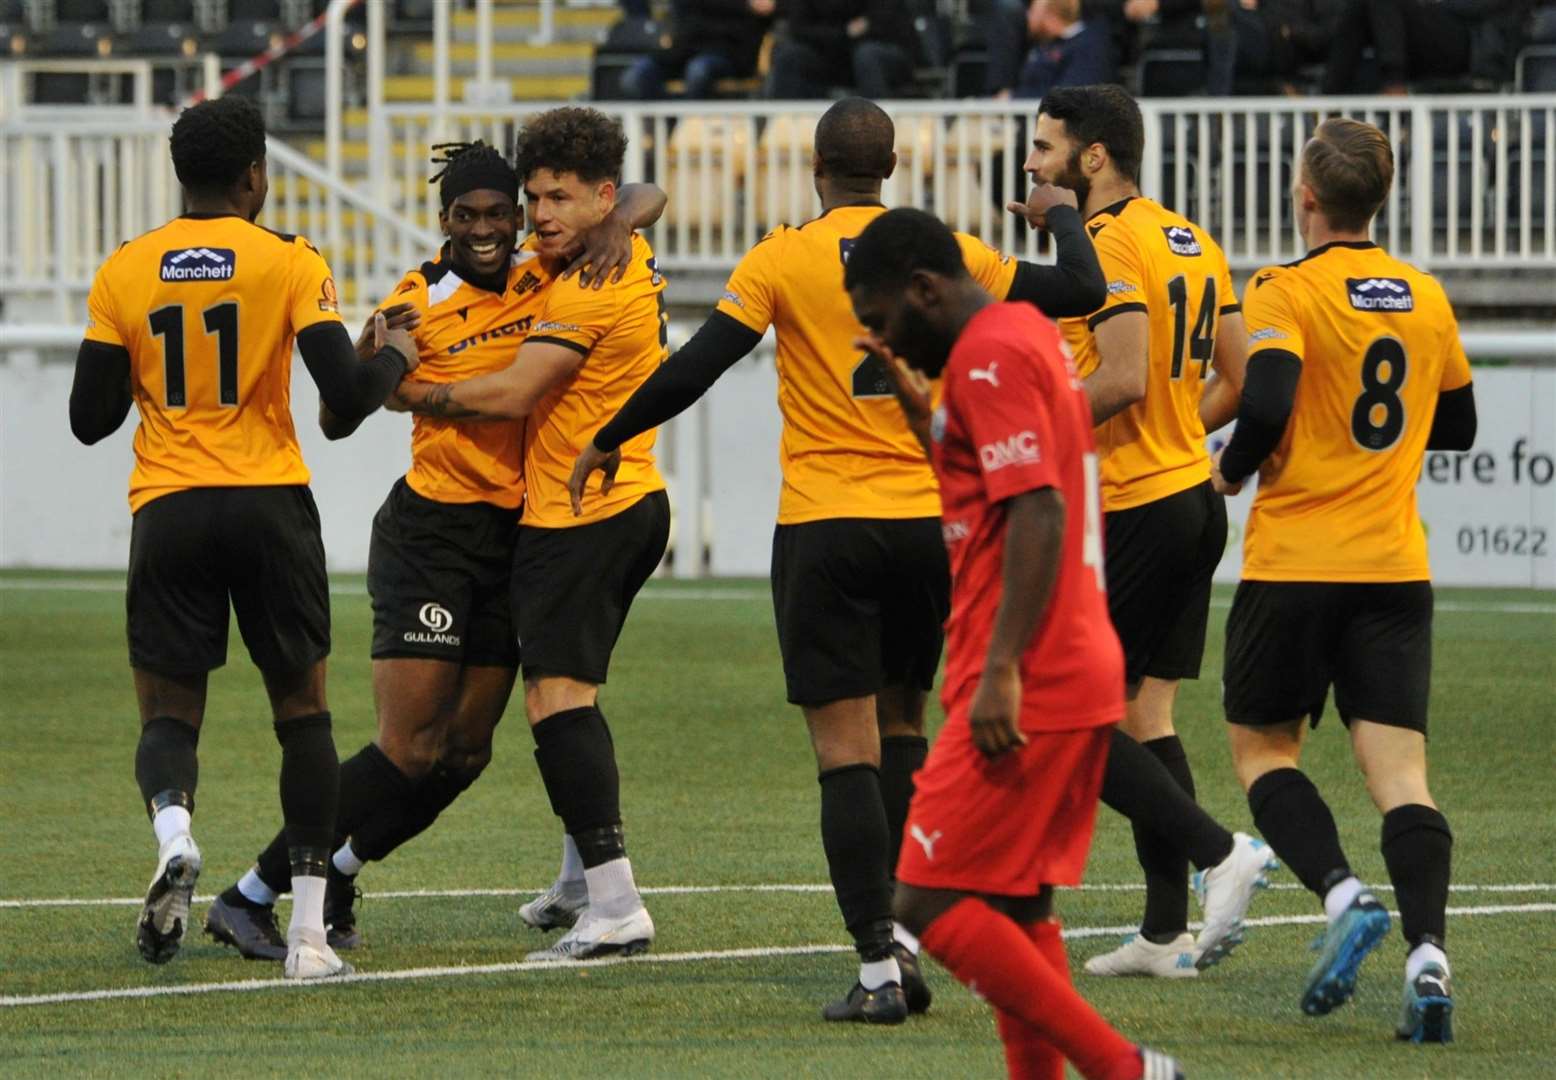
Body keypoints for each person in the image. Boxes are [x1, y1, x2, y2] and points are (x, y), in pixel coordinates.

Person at [568, 97, 1106, 1022]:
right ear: (891, 167)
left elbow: (697, 363)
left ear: (814, 169)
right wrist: (1061, 212)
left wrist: (613, 433)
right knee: (901, 728)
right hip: (928, 529)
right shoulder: (946, 251)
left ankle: (873, 968)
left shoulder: (780, 257)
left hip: (824, 527)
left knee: (841, 753)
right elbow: (1082, 293)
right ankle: (905, 934)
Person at [202, 144, 668, 960]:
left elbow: (645, 191)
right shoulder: (419, 301)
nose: (485, 230)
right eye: (466, 215)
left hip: (510, 538)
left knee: (465, 753)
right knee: (407, 745)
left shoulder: (549, 269)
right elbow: (339, 414)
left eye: (499, 213)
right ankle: (250, 893)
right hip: (432, 536)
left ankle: (343, 866)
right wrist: (385, 360)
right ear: (441, 220)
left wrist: (622, 216)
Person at [69, 95, 415, 980]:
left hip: (171, 508)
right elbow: (343, 386)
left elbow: (87, 419)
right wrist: (395, 357)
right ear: (255, 173)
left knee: (169, 713)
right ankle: (305, 939)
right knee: (303, 716)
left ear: (181, 175)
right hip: (268, 504)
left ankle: (176, 833)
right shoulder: (290, 260)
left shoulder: (126, 269)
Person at [844, 205, 1184, 1080]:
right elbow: (999, 483)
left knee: (920, 897)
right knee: (1018, 903)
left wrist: (999, 671)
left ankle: (1124, 1068)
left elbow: (1038, 506)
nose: (883, 342)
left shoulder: (989, 355)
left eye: (882, 321)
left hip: (1027, 667)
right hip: (1065, 659)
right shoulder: (1020, 333)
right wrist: (929, 418)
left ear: (925, 289)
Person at [1211, 117, 1476, 1042]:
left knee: (1262, 750)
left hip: (1297, 562)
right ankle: (1429, 957)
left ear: (1306, 195)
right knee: (1402, 776)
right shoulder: (1426, 295)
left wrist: (1234, 468)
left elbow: (1270, 393)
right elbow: (1458, 426)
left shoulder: (1284, 287)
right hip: (1395, 568)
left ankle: (1341, 895)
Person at [391, 107, 670, 962]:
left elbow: (514, 394)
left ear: (599, 196)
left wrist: (409, 394)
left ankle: (615, 901)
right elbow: (652, 195)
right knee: (572, 690)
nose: (540, 214)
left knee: (557, 700)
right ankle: (584, 881)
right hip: (626, 498)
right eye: (535, 196)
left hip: (579, 514)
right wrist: (621, 217)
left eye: (558, 198)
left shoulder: (590, 283)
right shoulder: (618, 243)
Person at [1025, 83, 1279, 978]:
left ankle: (1223, 854)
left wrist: (1026, 439)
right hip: (1190, 500)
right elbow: (1240, 377)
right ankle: (1168, 931)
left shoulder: (1104, 242)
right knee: (1144, 712)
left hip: (1133, 505)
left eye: (1046, 147)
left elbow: (1124, 378)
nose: (1033, 164)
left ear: (1093, 158)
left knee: (1065, 715)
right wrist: (1181, 434)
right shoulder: (1193, 236)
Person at [619, 0, 773, 100]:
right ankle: (669, 122)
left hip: (727, 52)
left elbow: (763, 13)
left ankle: (686, 128)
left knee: (698, 71)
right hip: (681, 51)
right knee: (635, 76)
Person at [765, 0, 918, 99]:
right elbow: (799, 28)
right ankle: (785, 131)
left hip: (884, 51)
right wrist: (844, 32)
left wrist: (851, 32)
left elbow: (883, 21)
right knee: (788, 55)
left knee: (867, 55)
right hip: (831, 53)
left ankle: (876, 130)